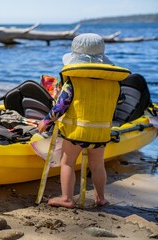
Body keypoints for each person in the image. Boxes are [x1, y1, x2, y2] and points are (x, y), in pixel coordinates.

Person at [37, 33, 130, 208]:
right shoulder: (114, 82)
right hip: (100, 133)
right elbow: (121, 100)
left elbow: (61, 106)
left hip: (75, 132)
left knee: (67, 163)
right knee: (97, 166)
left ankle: (67, 199)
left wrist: (46, 121)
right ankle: (100, 198)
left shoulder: (73, 80)